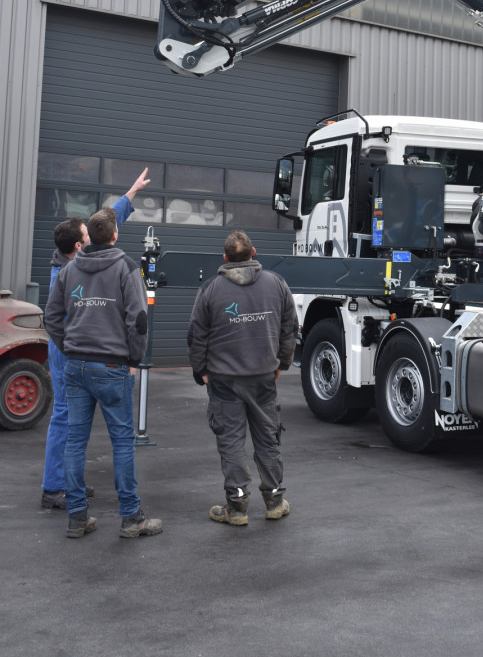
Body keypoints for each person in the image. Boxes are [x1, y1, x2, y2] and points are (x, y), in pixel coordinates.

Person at [44, 207, 162, 540]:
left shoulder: (69, 270)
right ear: (114, 235)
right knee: (122, 443)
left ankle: (77, 517)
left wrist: (69, 349)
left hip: (77, 366)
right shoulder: (126, 268)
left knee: (75, 443)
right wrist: (134, 360)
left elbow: (51, 317)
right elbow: (138, 320)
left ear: (88, 239)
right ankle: (130, 518)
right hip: (112, 366)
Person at [187, 229, 298, 526]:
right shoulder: (277, 284)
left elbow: (196, 335)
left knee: (231, 443)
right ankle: (275, 501)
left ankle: (237, 508)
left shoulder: (210, 289)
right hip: (263, 377)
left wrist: (202, 372)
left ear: (225, 259)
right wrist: (281, 364)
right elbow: (290, 328)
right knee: (268, 439)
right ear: (254, 252)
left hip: (224, 380)